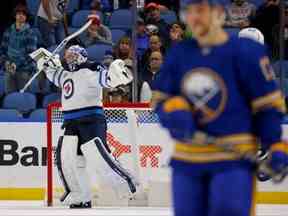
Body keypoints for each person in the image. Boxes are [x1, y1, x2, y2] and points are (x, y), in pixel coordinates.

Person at [151, 0, 288, 216]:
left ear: (219, 14)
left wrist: (275, 144)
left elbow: (267, 107)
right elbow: (159, 101)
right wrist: (172, 112)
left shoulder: (247, 53)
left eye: (201, 11)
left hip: (233, 162)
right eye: (189, 12)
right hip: (187, 160)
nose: (195, 18)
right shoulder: (179, 54)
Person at [31, 44, 136, 208]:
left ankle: (128, 183)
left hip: (91, 120)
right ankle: (81, 196)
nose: (69, 58)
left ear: (81, 56)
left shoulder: (91, 71)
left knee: (98, 157)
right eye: (68, 55)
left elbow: (108, 80)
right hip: (71, 122)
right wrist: (46, 65)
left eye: (73, 55)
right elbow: (54, 73)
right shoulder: (65, 75)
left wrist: (117, 74)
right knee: (69, 160)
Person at [0, 4, 37, 93]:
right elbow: (2, 51)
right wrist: (6, 62)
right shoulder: (8, 31)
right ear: (15, 15)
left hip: (25, 68)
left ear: (26, 17)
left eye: (23, 14)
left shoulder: (30, 33)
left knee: (22, 94)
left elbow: (31, 55)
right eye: (19, 13)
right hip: (9, 68)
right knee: (10, 95)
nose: (21, 15)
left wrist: (16, 64)